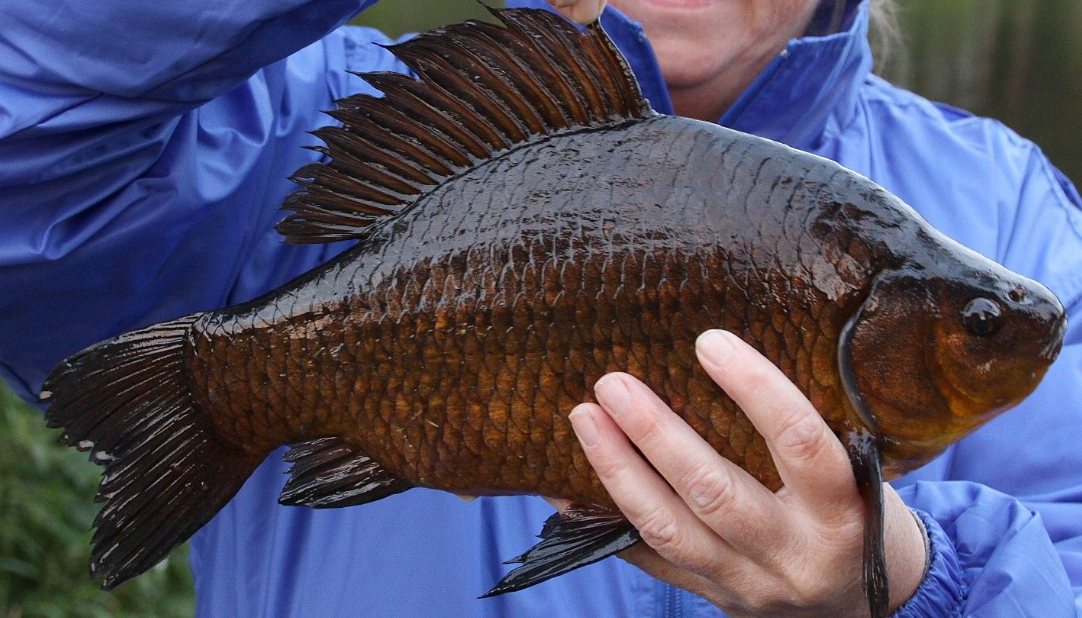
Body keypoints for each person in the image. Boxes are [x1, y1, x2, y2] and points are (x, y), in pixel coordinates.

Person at [0, 0, 1079, 615]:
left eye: (977, 330)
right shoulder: (299, 123)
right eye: (975, 329)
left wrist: (911, 590)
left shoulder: (1010, 207)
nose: (991, 334)